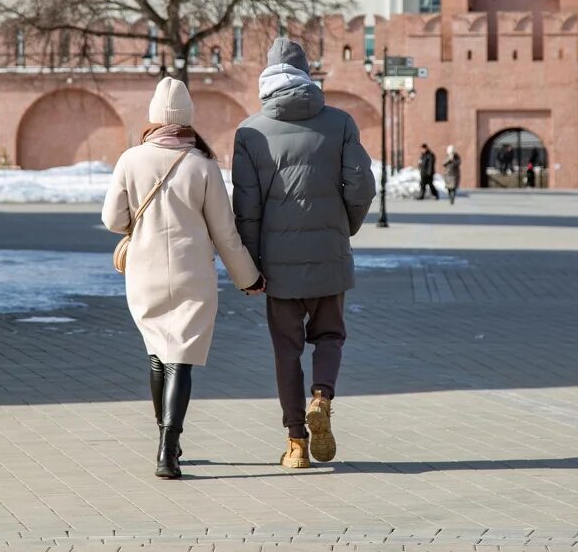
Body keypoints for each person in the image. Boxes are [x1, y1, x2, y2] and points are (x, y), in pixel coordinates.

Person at [102, 77, 264, 480]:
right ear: (188, 118)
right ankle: (168, 447)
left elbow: (111, 220)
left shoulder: (131, 159)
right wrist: (248, 277)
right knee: (181, 359)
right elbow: (226, 234)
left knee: (158, 352)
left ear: (154, 117)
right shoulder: (203, 165)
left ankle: (164, 441)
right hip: (193, 274)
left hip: (144, 273)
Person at [233, 38, 375, 470]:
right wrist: (343, 227)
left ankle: (296, 443)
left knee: (286, 350)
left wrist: (252, 265)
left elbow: (247, 207)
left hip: (278, 265)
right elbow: (363, 186)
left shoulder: (250, 132)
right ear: (307, 75)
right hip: (329, 252)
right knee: (330, 335)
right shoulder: (341, 122)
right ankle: (322, 397)